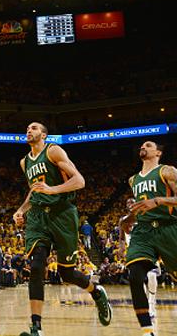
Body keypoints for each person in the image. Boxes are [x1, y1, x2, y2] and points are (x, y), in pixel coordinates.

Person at [12, 122, 111, 336]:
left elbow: (79, 181)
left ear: (44, 135)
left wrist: (52, 190)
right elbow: (34, 190)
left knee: (66, 272)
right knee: (37, 265)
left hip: (62, 213)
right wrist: (21, 210)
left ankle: (96, 291)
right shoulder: (24, 162)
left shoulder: (53, 150)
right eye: (27, 128)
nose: (29, 130)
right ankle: (36, 327)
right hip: (38, 216)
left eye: (35, 128)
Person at [123, 141, 177, 336]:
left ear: (159, 153)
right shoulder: (133, 180)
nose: (142, 147)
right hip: (143, 232)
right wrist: (128, 219)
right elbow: (141, 208)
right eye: (141, 146)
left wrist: (159, 200)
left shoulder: (167, 171)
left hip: (169, 228)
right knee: (135, 274)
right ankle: (147, 331)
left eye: (148, 145)